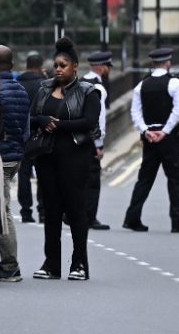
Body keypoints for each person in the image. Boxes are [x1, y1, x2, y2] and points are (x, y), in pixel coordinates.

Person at [29, 37, 100, 281]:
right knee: (51, 211)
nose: (58, 69)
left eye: (64, 65)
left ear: (75, 66)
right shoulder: (44, 89)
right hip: (47, 158)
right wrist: (40, 121)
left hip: (75, 158)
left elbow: (89, 123)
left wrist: (56, 125)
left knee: (75, 211)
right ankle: (51, 264)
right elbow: (32, 118)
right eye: (56, 65)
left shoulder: (88, 91)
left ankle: (79, 264)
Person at [123, 47, 179, 233]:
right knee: (176, 179)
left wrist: (146, 131)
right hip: (169, 139)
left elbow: (135, 112)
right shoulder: (175, 84)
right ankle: (177, 222)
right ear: (168, 62)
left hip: (149, 138)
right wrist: (165, 131)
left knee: (144, 179)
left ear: (153, 63)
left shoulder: (141, 85)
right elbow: (178, 110)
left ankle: (132, 218)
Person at [0, 45, 30, 283]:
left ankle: (10, 264)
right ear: (12, 65)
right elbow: (26, 128)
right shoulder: (21, 90)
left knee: (0, 211)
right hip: (15, 156)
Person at [81, 51, 112, 231]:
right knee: (92, 181)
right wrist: (99, 146)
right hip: (91, 141)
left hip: (76, 137)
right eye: (107, 66)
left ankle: (72, 214)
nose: (108, 70)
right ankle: (90, 217)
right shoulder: (99, 88)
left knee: (77, 179)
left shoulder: (78, 82)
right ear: (101, 67)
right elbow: (99, 120)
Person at [17, 53, 47, 224]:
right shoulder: (43, 85)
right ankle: (42, 211)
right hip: (40, 134)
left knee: (24, 174)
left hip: (21, 134)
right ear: (40, 66)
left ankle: (25, 212)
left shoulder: (18, 83)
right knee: (42, 173)